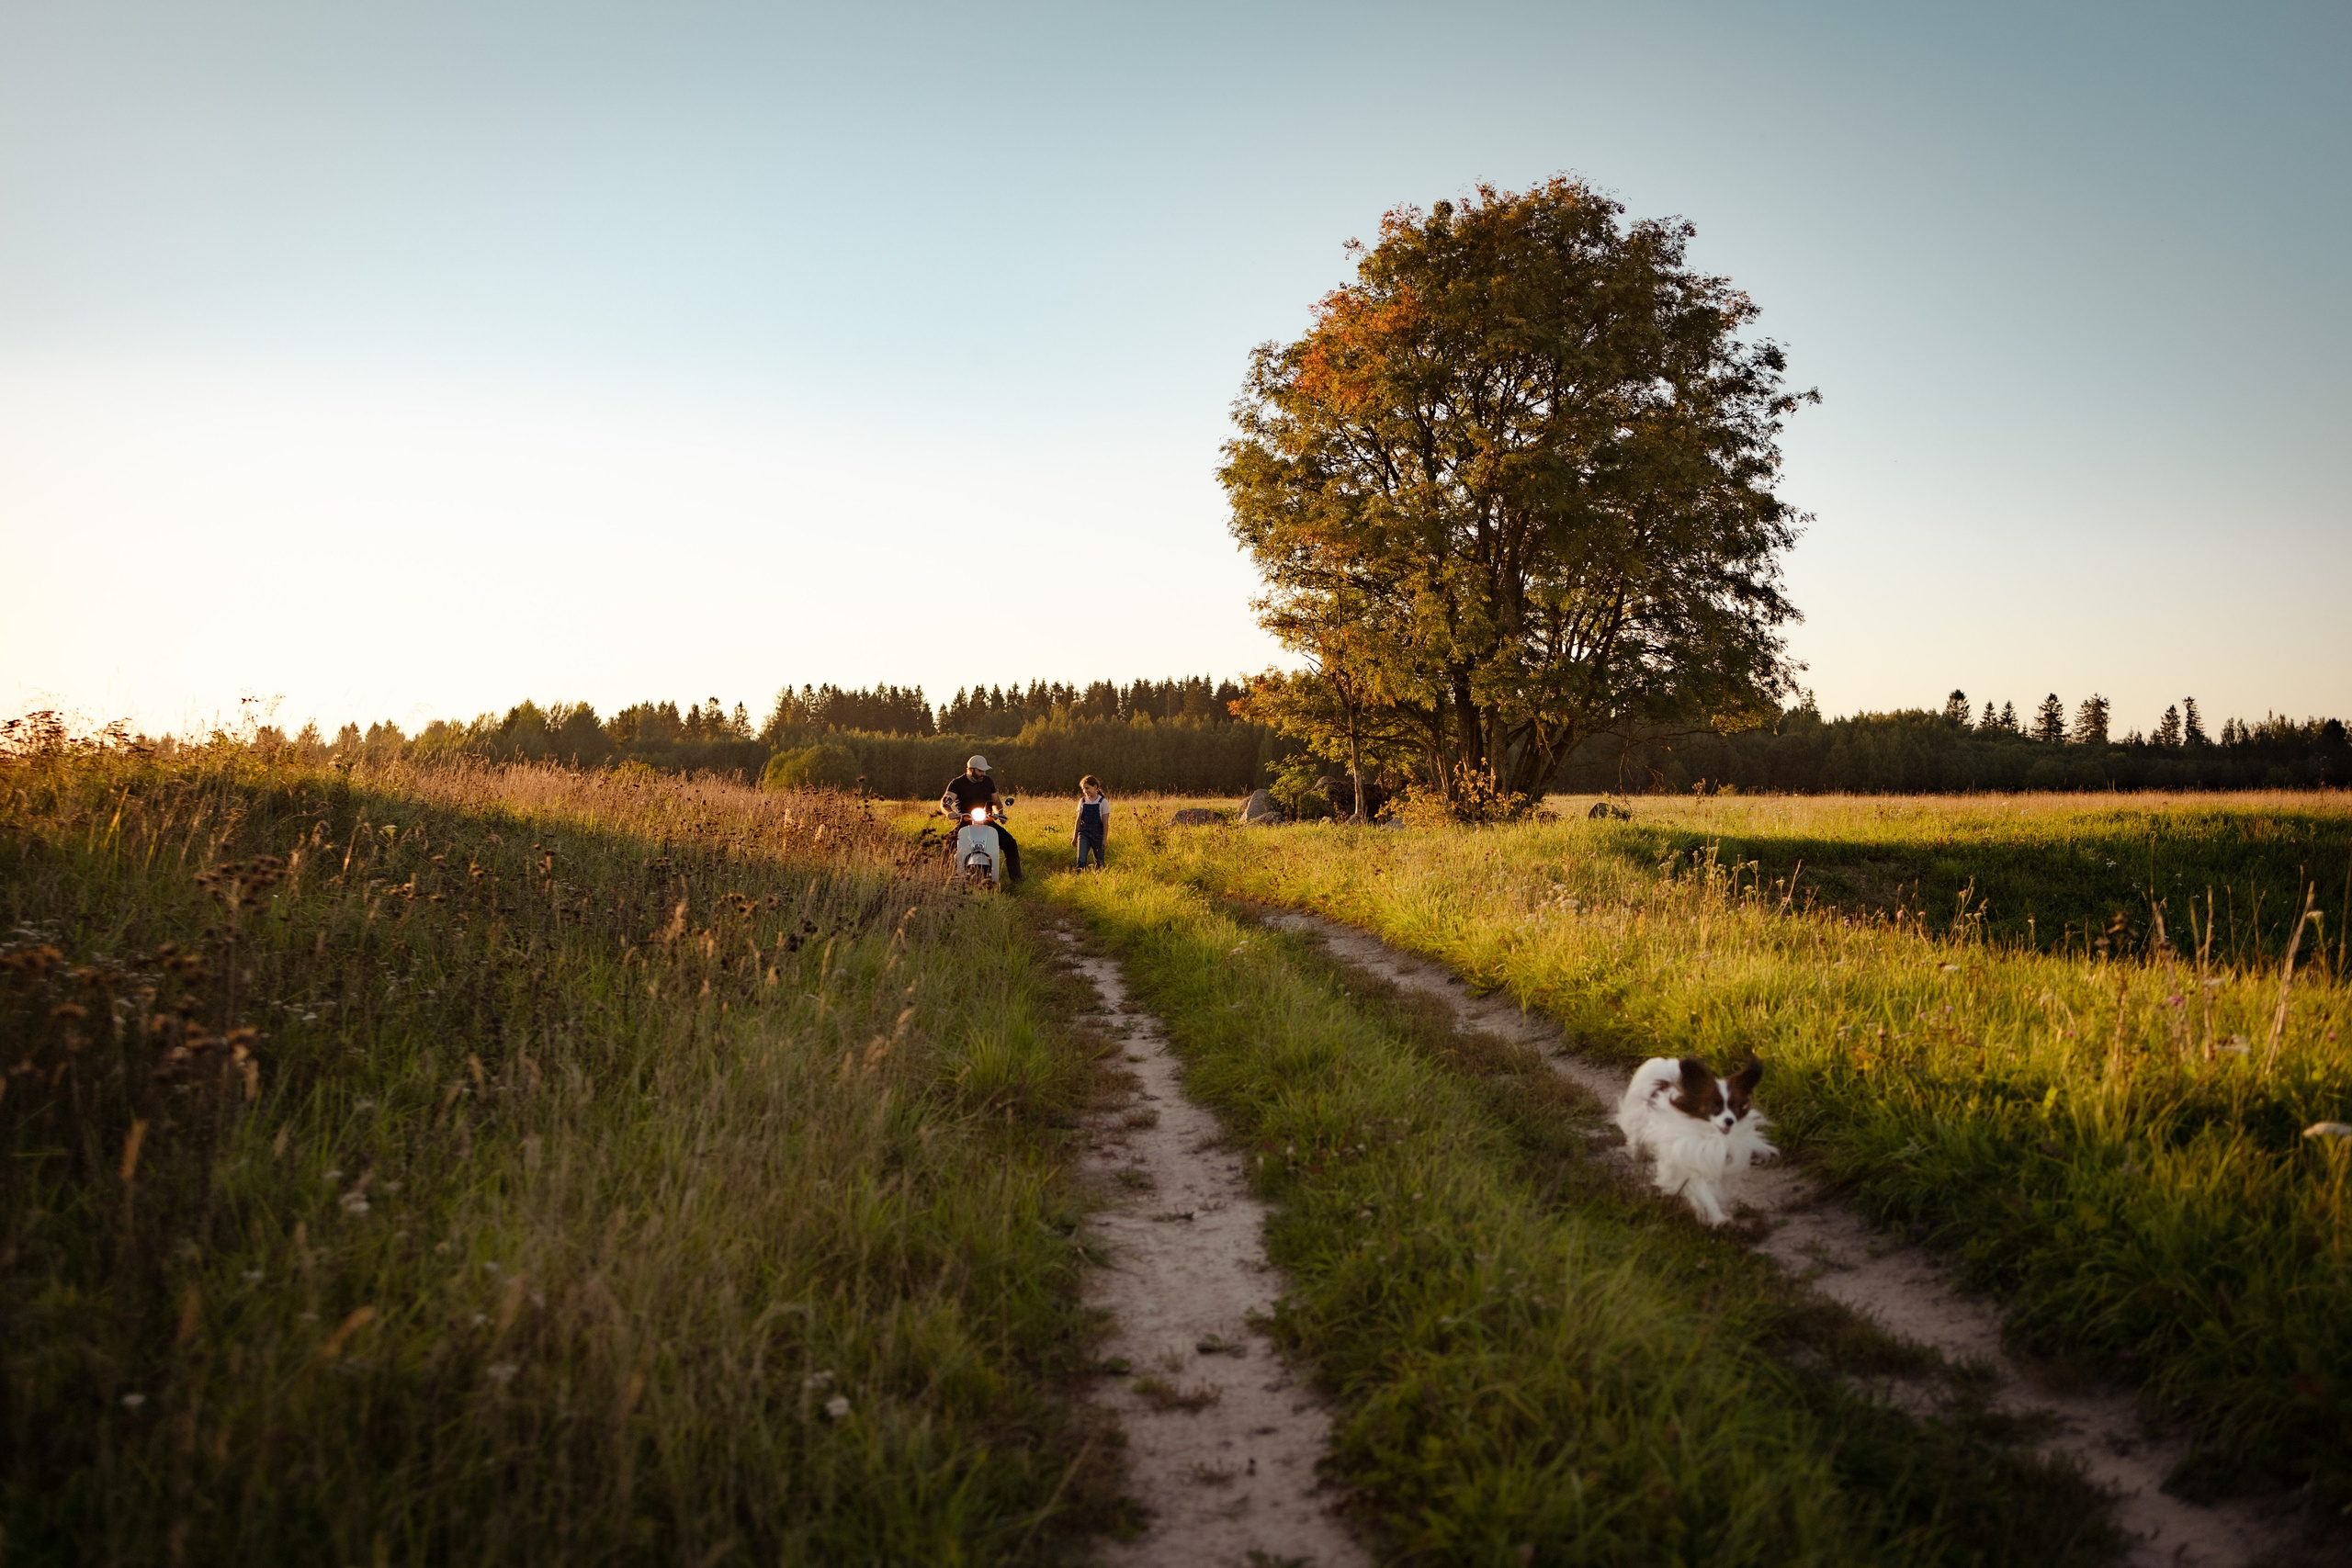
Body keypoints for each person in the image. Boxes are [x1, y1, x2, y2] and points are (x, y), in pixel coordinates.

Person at [940, 754, 1021, 882]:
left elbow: (996, 801)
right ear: (971, 770)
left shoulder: (988, 781)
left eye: (984, 771)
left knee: (1011, 843)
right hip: (966, 822)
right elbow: (945, 802)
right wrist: (949, 812)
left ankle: (1017, 881)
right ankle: (943, 879)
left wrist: (1000, 813)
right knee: (946, 845)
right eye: (980, 771)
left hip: (987, 821)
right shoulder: (957, 783)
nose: (983, 773)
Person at [1073, 774, 1110, 869]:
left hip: (1098, 835)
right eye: (1083, 789)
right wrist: (1075, 837)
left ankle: (1100, 881)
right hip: (1084, 834)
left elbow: (1105, 823)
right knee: (1081, 860)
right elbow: (1078, 820)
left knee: (1099, 862)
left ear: (1095, 787)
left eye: (1087, 788)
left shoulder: (1103, 802)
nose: (1085, 791)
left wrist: (1104, 839)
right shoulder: (1082, 801)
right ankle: (1080, 880)